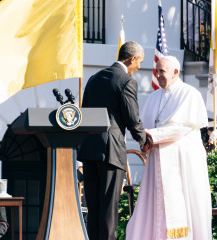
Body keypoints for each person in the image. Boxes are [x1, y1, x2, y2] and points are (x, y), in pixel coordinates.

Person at [126, 56, 212, 239]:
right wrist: (145, 141)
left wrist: (152, 136)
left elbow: (184, 127)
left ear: (175, 72)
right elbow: (144, 127)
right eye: (156, 71)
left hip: (182, 163)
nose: (158, 75)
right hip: (157, 161)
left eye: (162, 71)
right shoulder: (153, 97)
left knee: (182, 204)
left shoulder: (190, 94)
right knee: (155, 205)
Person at [77, 41, 152, 240]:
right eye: (140, 62)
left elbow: (84, 113)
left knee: (93, 209)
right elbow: (131, 118)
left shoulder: (94, 78)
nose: (139, 67)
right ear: (132, 59)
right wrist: (143, 140)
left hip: (89, 150)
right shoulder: (126, 81)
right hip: (111, 152)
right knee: (109, 209)